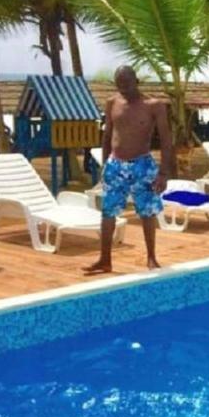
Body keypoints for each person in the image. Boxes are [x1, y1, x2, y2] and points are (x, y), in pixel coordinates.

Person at [84, 66, 175, 275]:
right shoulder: (112, 103)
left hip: (142, 164)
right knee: (108, 212)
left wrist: (163, 173)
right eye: (119, 84)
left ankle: (151, 257)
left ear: (136, 81)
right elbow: (107, 136)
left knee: (147, 212)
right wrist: (105, 164)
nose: (123, 88)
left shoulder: (154, 106)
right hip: (115, 165)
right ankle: (104, 259)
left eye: (127, 83)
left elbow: (166, 141)